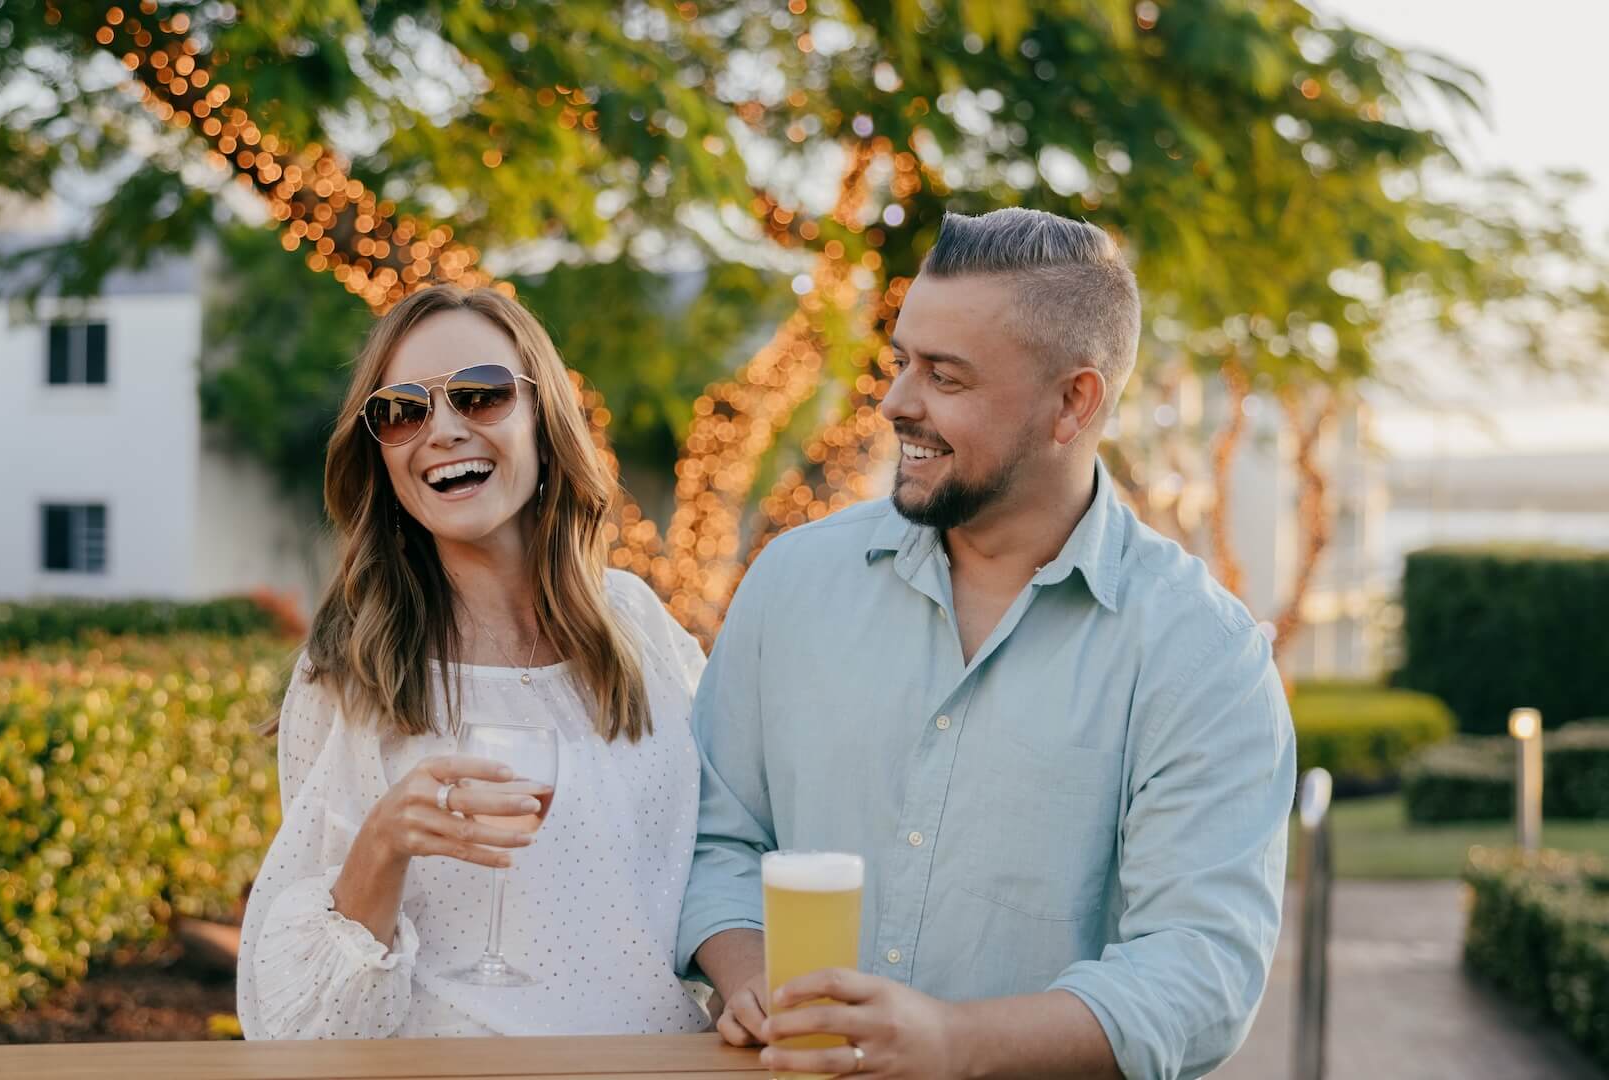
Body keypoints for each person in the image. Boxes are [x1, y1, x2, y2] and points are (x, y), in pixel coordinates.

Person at [678, 208, 1297, 1079]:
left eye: (947, 377)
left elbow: (1201, 971)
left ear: (1071, 403)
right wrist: (748, 973)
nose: (897, 402)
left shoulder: (1203, 655)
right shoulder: (791, 583)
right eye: (902, 362)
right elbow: (711, 834)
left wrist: (953, 1045)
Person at [238, 285, 711, 1040]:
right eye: (402, 410)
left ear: (545, 423)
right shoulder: (351, 673)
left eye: (481, 396)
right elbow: (302, 1023)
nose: (444, 430)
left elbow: (722, 858)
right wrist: (386, 841)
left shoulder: (640, 629)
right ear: (382, 454)